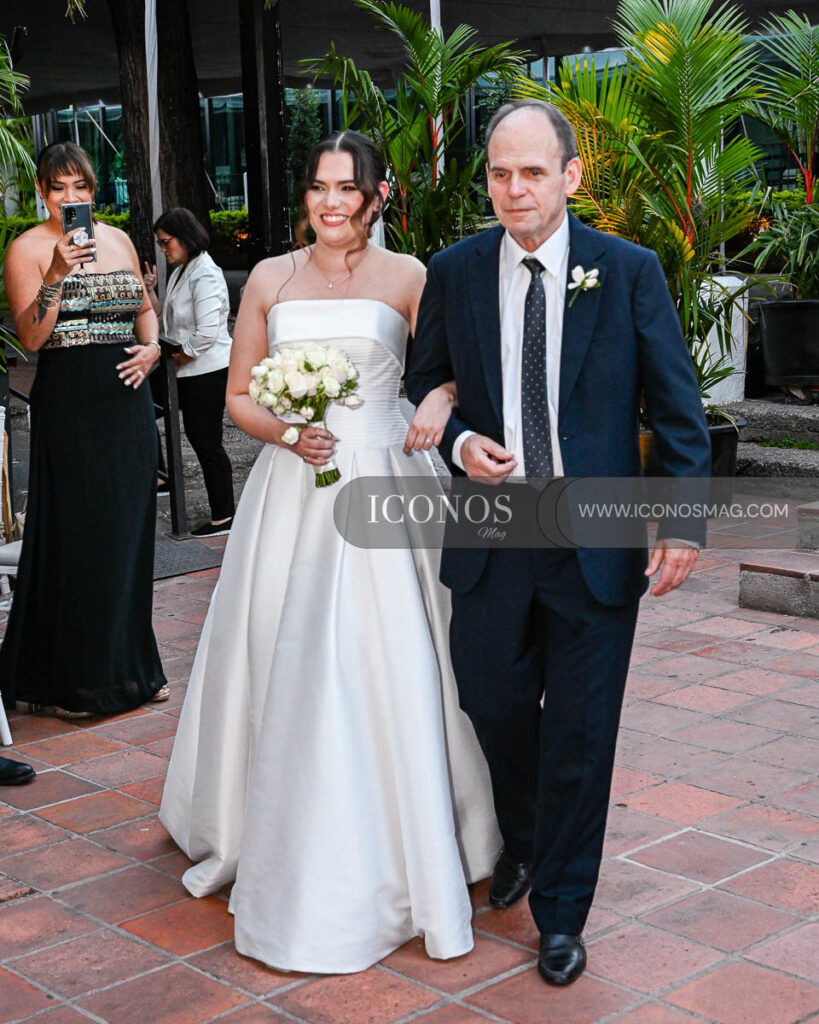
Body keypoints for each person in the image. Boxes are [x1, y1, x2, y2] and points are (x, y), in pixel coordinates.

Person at [160, 130, 500, 973]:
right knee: (284, 648)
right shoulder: (269, 280)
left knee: (393, 655)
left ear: (377, 196)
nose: (331, 202)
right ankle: (268, 824)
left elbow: (452, 372)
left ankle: (420, 828)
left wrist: (441, 400)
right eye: (317, 187)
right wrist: (285, 431)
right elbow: (238, 395)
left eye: (348, 188)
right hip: (294, 495)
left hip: (392, 482)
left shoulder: (412, 276)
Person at [406, 100, 711, 987]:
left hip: (596, 539)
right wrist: (461, 443)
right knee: (488, 700)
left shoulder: (627, 271)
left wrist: (682, 520)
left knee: (581, 731)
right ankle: (528, 838)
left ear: (570, 177)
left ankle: (560, 912)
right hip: (493, 531)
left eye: (532, 172)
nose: (513, 189)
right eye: (500, 173)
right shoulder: (455, 271)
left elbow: (677, 408)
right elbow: (427, 383)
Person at [0, 142, 168, 717]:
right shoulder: (25, 249)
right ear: (43, 193)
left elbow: (145, 310)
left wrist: (151, 349)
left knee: (128, 536)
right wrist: (55, 273)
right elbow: (31, 338)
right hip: (70, 405)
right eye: (58, 188)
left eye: (81, 188)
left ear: (95, 192)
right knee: (80, 537)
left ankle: (133, 669)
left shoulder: (118, 240)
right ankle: (77, 681)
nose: (70, 199)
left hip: (128, 404)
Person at [143, 208, 235, 537]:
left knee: (205, 441)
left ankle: (224, 517)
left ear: (185, 238)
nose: (163, 249)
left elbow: (207, 333)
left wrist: (176, 359)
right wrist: (152, 290)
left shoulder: (205, 272)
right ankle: (158, 476)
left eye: (166, 243)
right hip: (181, 369)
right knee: (139, 402)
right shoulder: (184, 269)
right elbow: (168, 321)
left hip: (206, 371)